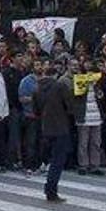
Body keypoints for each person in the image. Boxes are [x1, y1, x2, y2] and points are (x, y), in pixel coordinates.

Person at [34, 64, 71, 202]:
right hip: (60, 128)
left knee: (50, 159)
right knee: (58, 161)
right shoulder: (60, 87)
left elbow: (36, 110)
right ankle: (51, 190)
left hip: (45, 128)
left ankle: (49, 188)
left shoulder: (37, 89)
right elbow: (69, 106)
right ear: (55, 75)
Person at [73, 60, 104, 175]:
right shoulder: (80, 82)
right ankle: (83, 165)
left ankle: (95, 165)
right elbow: (77, 96)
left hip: (96, 117)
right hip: (84, 117)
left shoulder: (97, 85)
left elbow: (101, 97)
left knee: (96, 142)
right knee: (83, 143)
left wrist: (98, 90)